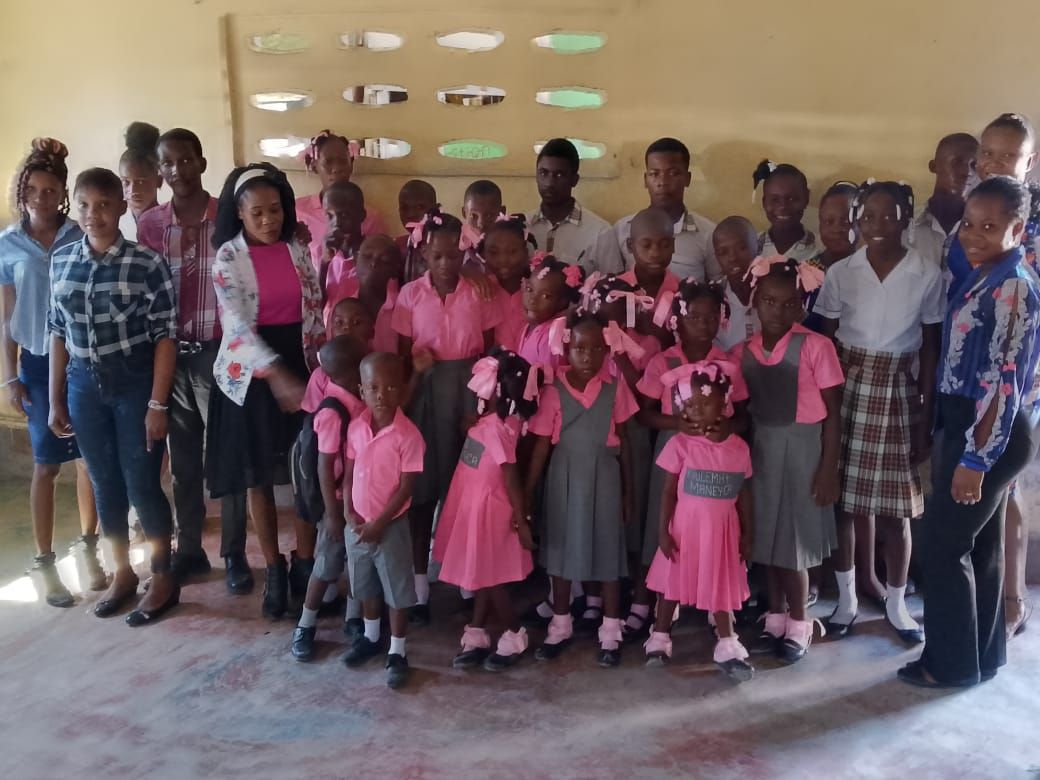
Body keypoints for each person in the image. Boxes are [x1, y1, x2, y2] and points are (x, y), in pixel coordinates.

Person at [900, 176, 1040, 688]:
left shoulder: (1014, 288)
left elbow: (1003, 383)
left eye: (990, 226)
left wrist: (975, 460)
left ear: (1017, 228)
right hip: (969, 421)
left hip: (987, 432)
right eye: (969, 224)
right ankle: (982, 658)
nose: (974, 235)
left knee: (941, 548)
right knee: (978, 547)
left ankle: (949, 664)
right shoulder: (986, 274)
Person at [48, 167, 179, 625]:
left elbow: (166, 336)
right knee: (105, 486)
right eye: (84, 205)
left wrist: (157, 403)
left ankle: (162, 574)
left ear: (121, 207)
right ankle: (123, 572)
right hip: (84, 386)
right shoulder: (62, 261)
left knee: (142, 483)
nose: (94, 215)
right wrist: (55, 398)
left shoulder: (147, 264)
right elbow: (57, 333)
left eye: (104, 205)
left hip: (135, 383)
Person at [815, 181, 943, 643]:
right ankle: (847, 601)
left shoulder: (926, 273)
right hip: (847, 387)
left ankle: (896, 603)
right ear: (858, 221)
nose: (877, 225)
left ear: (906, 218)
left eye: (889, 216)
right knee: (844, 506)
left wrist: (925, 415)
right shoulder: (842, 273)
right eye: (868, 217)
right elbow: (824, 342)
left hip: (896, 391)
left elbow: (929, 349)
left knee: (897, 510)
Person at [206, 162, 324, 619]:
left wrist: (312, 371)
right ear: (239, 212)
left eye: (275, 210)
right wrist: (278, 376)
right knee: (258, 474)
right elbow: (236, 326)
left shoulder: (297, 250)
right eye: (257, 213)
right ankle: (273, 566)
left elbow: (314, 310)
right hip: (253, 370)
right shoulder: (228, 259)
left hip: (300, 359)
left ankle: (306, 562)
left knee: (307, 468)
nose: (268, 220)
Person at [136, 127, 251, 593]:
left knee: (229, 455)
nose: (177, 170)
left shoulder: (227, 217)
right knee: (183, 463)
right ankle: (190, 551)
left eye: (186, 160)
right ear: (159, 171)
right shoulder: (149, 225)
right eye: (168, 163)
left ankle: (235, 553)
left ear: (202, 163)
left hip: (219, 354)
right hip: (170, 358)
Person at [944, 115, 1040, 640]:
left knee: (1001, 491)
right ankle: (985, 629)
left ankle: (1011, 598)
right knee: (980, 512)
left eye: (1010, 156)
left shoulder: (1024, 233)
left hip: (1012, 382)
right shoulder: (973, 216)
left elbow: (1018, 321)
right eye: (990, 153)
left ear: (1031, 162)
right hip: (968, 378)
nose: (996, 163)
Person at [0, 138, 103, 606]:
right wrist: (9, 376)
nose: (43, 198)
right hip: (38, 365)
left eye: (51, 190)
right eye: (35, 190)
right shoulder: (8, 245)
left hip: (81, 358)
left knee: (88, 460)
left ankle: (90, 548)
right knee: (46, 464)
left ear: (62, 192)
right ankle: (44, 560)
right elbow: (7, 317)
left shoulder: (77, 235)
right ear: (22, 193)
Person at [391, 207, 501, 624]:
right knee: (423, 491)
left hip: (468, 391)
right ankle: (420, 587)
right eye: (436, 256)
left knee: (469, 487)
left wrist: (482, 404)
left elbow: (489, 351)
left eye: (453, 256)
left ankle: (468, 581)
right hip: (426, 391)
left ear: (465, 254)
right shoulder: (410, 295)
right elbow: (405, 354)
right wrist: (417, 375)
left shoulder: (480, 291)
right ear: (422, 256)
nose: (445, 264)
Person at [734, 256, 842, 663]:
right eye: (768, 301)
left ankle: (800, 621)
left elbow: (832, 413)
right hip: (762, 450)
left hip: (803, 452)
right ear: (755, 303)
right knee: (768, 536)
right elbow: (741, 410)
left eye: (788, 304)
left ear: (801, 307)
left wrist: (828, 468)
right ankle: (775, 614)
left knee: (794, 540)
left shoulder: (817, 347)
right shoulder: (743, 353)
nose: (777, 311)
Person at [633, 279, 749, 640]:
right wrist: (675, 423)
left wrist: (726, 427)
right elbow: (643, 413)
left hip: (716, 455)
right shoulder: (662, 361)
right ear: (677, 321)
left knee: (709, 529)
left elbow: (744, 414)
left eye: (711, 317)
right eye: (694, 316)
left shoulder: (727, 363)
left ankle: (712, 599)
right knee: (667, 523)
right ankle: (652, 600)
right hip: (674, 450)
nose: (703, 323)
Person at [525, 311, 638, 667]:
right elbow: (542, 445)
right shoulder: (553, 390)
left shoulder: (614, 388)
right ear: (566, 350)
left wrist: (628, 491)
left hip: (604, 476)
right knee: (559, 553)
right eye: (579, 348)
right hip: (564, 477)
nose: (587, 356)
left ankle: (610, 631)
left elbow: (628, 444)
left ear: (607, 351)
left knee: (608, 553)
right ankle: (560, 626)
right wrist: (528, 493)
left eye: (595, 349)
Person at [643, 361, 754, 682]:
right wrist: (662, 531)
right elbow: (666, 493)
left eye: (705, 403)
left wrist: (749, 533)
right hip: (684, 530)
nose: (697, 410)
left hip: (721, 533)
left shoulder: (739, 448)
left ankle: (728, 643)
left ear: (724, 404)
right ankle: (660, 637)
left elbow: (744, 494)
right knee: (671, 586)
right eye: (690, 405)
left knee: (719, 586)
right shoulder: (679, 444)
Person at [433, 349, 541, 671]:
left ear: (497, 392)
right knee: (480, 574)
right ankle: (478, 630)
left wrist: (521, 520)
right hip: (471, 506)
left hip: (489, 511)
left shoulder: (498, 429)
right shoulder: (486, 422)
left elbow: (510, 477)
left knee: (490, 579)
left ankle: (513, 632)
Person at [341, 352, 426, 690]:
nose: (381, 394)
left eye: (391, 387)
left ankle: (397, 651)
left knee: (396, 590)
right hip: (357, 524)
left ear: (402, 390)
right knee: (365, 586)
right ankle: (371, 636)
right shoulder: (357, 426)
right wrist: (349, 512)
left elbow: (406, 488)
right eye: (373, 387)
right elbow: (347, 472)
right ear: (361, 390)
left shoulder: (409, 435)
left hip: (389, 527)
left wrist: (379, 522)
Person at [290, 335, 368, 661]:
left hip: (356, 498)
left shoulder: (354, 400)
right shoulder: (333, 412)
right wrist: (334, 513)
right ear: (351, 375)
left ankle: (353, 617)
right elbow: (324, 466)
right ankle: (305, 625)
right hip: (336, 502)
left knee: (355, 559)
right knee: (327, 563)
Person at [615, 138, 721, 282]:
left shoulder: (708, 234)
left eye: (673, 173)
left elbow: (717, 287)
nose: (663, 182)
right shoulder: (623, 229)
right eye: (654, 174)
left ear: (687, 178)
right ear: (646, 180)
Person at [527, 138, 624, 275]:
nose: (549, 182)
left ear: (574, 180)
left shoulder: (600, 232)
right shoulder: (523, 226)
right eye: (543, 173)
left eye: (559, 175)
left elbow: (614, 288)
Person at [295, 130, 387, 269]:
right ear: (314, 166)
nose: (337, 169)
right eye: (328, 162)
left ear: (351, 165)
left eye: (343, 161)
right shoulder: (298, 211)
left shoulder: (370, 217)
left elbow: (379, 268)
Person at [909, 133, 978, 270]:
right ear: (934, 166)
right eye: (957, 162)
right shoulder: (907, 225)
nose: (967, 172)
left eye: (974, 165)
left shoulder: (981, 231)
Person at [803, 181, 860, 333]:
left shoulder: (870, 272)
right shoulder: (804, 274)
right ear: (820, 224)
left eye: (847, 221)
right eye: (829, 221)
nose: (837, 229)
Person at [516, 252, 583, 373]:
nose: (532, 300)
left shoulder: (551, 338)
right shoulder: (531, 324)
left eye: (545, 296)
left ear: (563, 302)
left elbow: (549, 384)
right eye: (529, 289)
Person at [482, 214, 535, 351]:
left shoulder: (537, 290)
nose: (503, 260)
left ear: (525, 252)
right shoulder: (482, 290)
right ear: (483, 255)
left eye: (512, 252)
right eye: (493, 252)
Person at [317, 181, 367, 322]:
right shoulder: (321, 252)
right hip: (330, 335)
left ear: (362, 215)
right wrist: (325, 263)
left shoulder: (371, 254)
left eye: (344, 215)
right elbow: (316, 305)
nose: (336, 223)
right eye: (330, 215)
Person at [752, 160, 819, 261]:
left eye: (792, 199)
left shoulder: (821, 249)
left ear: (806, 199)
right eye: (774, 200)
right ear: (764, 202)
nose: (783, 206)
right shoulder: (751, 248)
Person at [711, 217, 760, 350]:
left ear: (757, 246)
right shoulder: (713, 297)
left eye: (742, 248)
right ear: (716, 257)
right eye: (723, 252)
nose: (733, 257)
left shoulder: (773, 290)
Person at [117, 122, 163, 242]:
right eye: (126, 182)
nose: (133, 190)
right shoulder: (117, 222)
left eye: (141, 182)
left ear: (159, 181)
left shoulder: (165, 227)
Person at [396, 179, 437, 281]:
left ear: (435, 210)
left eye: (419, 207)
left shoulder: (448, 247)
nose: (411, 214)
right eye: (404, 208)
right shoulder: (398, 247)